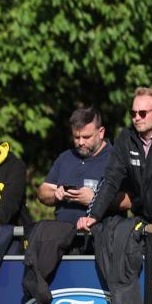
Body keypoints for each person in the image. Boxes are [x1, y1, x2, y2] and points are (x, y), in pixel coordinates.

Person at [78, 87, 152, 233]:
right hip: (145, 221)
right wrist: (93, 215)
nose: (136, 118)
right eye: (133, 113)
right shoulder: (126, 139)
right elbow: (110, 180)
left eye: (142, 113)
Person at [38, 107, 129, 253]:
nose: (80, 142)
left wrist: (97, 200)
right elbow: (43, 192)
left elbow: (129, 200)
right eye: (76, 137)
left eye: (86, 137)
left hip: (101, 245)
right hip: (63, 244)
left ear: (101, 132)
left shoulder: (116, 159)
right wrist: (56, 194)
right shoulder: (65, 158)